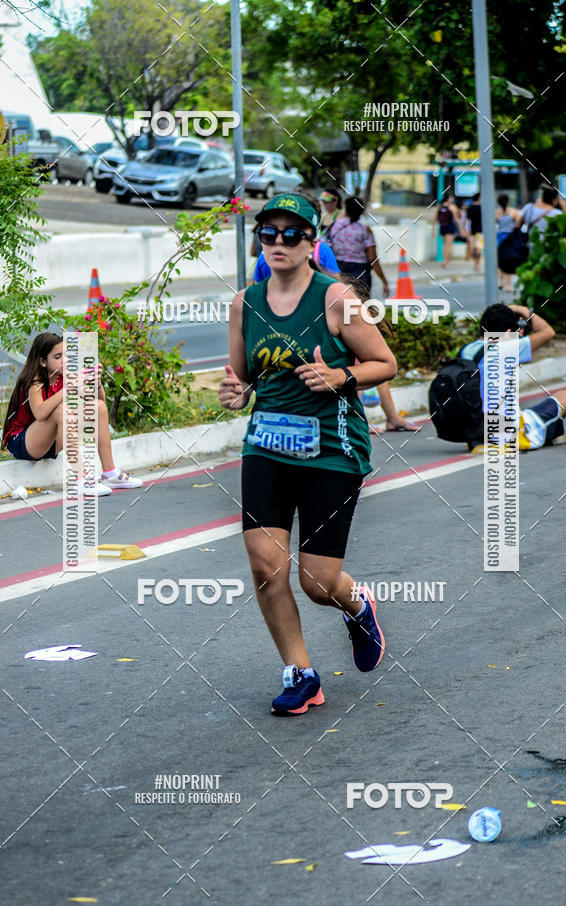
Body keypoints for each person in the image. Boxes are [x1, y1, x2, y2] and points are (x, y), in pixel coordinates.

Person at [218, 192, 398, 715]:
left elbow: (384, 362)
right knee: (265, 564)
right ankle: (301, 673)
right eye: (267, 234)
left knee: (317, 581)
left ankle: (356, 605)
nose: (277, 242)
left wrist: (340, 375)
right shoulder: (243, 304)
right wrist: (234, 395)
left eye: (290, 234)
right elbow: (242, 381)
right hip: (267, 448)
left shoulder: (338, 298)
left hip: (332, 450)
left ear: (310, 242)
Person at [2, 332, 143, 495]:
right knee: (61, 410)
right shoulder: (35, 382)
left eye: (66, 355)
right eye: (57, 356)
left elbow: (99, 402)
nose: (64, 360)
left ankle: (109, 473)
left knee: (98, 407)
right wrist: (69, 388)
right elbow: (40, 413)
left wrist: (96, 384)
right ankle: (82, 480)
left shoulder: (64, 376)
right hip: (22, 443)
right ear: (42, 361)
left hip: (49, 442)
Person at [461, 304, 566, 450]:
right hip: (507, 434)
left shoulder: (466, 350)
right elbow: (548, 332)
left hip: (476, 432)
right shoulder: (507, 348)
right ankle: (551, 430)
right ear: (508, 332)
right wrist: (523, 310)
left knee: (526, 412)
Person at [329, 195, 390, 297]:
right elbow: (372, 258)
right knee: (361, 305)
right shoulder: (364, 230)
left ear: (346, 210)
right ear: (361, 212)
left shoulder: (334, 226)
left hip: (338, 270)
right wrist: (384, 281)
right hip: (360, 271)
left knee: (340, 304)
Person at [495, 194, 520, 292]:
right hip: (510, 238)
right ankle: (508, 285)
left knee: (500, 260)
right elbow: (518, 223)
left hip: (500, 237)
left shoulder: (496, 213)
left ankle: (500, 282)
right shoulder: (513, 212)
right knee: (509, 261)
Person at [433, 194, 461, 268]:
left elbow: (434, 219)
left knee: (445, 246)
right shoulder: (452, 207)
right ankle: (447, 263)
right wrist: (460, 229)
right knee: (449, 246)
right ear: (448, 198)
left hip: (442, 228)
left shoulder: (439, 207)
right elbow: (456, 219)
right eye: (451, 198)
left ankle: (444, 261)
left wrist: (433, 230)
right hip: (450, 227)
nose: (452, 199)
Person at [466, 193, 483, 272]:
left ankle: (475, 265)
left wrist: (467, 231)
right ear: (479, 198)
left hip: (472, 230)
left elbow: (468, 221)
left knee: (474, 248)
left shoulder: (470, 208)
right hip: (481, 231)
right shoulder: (483, 208)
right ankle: (477, 265)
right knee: (479, 249)